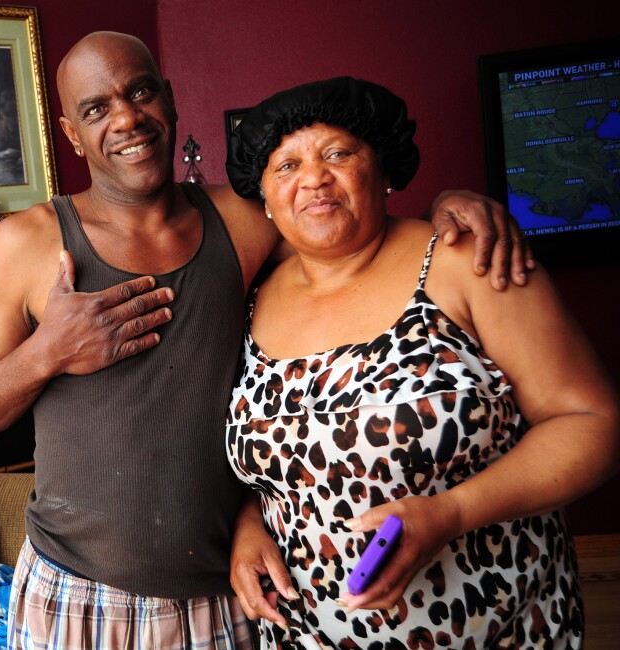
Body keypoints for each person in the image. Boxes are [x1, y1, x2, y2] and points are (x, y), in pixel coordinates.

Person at [0, 32, 533, 650]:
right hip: (77, 592)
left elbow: (352, 231)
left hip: (229, 595)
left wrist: (450, 203)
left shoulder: (245, 220)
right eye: (96, 108)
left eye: (141, 92)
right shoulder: (24, 244)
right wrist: (47, 352)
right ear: (71, 132)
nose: (126, 118)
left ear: (169, 100)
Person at [224, 77, 620, 649]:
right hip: (307, 636)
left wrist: (453, 512)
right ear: (263, 196)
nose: (312, 177)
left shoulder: (468, 257)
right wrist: (247, 523)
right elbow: (263, 459)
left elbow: (594, 422)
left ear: (383, 169)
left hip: (487, 625)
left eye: (338, 153)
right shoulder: (250, 295)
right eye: (285, 167)